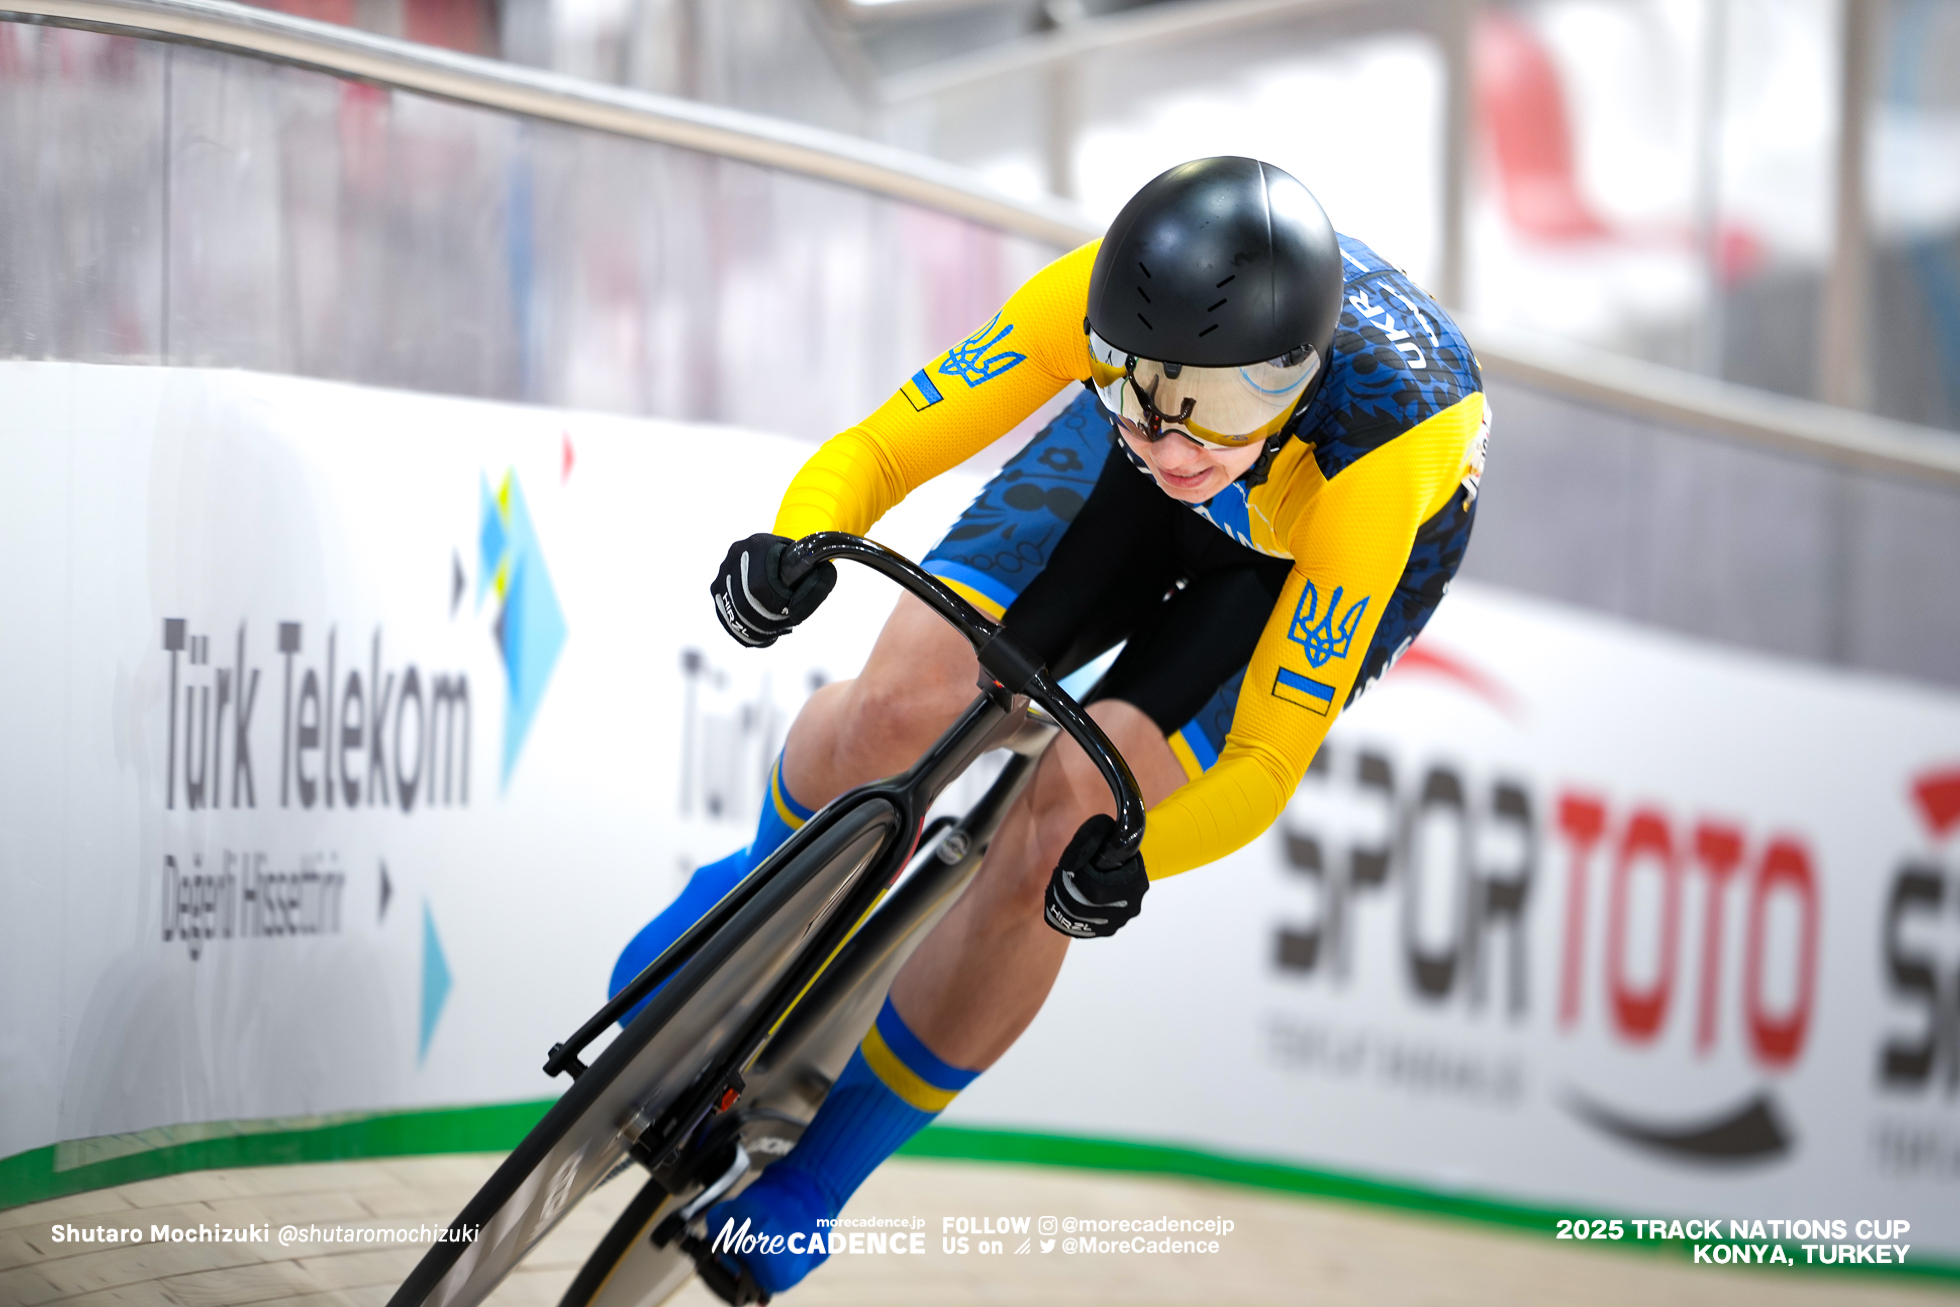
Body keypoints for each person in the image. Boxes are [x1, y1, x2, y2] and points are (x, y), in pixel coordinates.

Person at [614, 156, 1488, 1300]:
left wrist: (1134, 857)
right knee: (905, 699)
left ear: (1292, 373)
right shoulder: (1105, 320)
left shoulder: (1383, 458)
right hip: (1162, 469)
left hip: (1307, 533)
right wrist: (793, 541)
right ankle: (744, 895)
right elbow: (884, 449)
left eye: (1209, 409)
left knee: (1074, 807)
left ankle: (815, 1182)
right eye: (1131, 387)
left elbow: (1268, 759)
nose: (1174, 442)